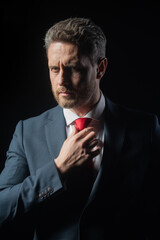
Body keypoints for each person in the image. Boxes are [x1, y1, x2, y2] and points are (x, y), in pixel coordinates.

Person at [0, 17, 160, 240]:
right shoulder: (27, 131)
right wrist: (58, 169)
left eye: (74, 68)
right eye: (54, 69)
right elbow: (2, 208)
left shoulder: (145, 128)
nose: (61, 81)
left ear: (100, 68)